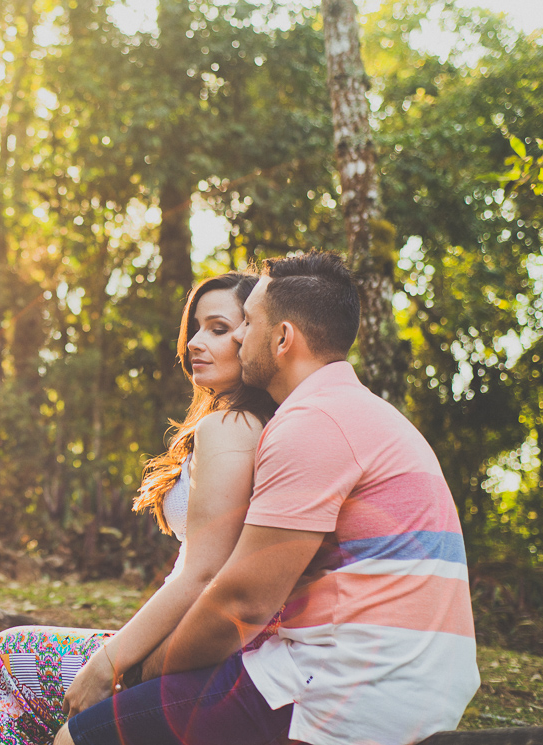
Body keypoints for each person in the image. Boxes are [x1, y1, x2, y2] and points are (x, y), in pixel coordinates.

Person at [55, 251, 480, 745]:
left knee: (78, 738)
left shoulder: (313, 424)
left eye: (247, 323)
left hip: (349, 687)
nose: (237, 336)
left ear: (282, 339)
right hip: (398, 678)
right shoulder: (360, 412)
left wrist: (143, 671)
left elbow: (243, 600)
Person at [0, 271, 278, 745]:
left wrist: (109, 663)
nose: (194, 342)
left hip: (206, 650)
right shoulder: (252, 422)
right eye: (195, 327)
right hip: (210, 643)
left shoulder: (230, 426)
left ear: (254, 336)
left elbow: (201, 573)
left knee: (8, 659)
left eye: (217, 328)